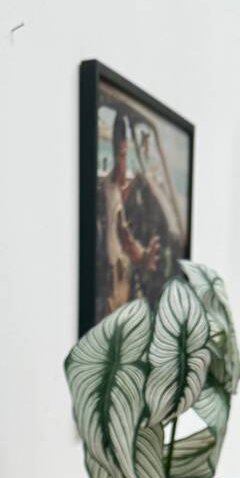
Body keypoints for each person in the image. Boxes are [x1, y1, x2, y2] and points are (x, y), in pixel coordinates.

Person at [95, 111, 167, 322]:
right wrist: (145, 257)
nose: (124, 164)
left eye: (125, 156)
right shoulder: (110, 191)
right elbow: (124, 236)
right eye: (122, 155)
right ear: (117, 151)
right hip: (113, 285)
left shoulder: (113, 189)